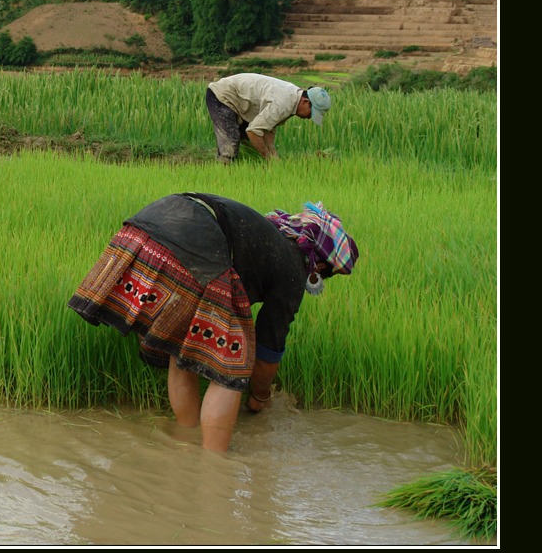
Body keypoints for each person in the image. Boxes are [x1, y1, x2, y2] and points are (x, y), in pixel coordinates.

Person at [68, 193, 357, 452]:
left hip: (148, 224)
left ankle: (186, 439)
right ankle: (213, 466)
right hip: (193, 241)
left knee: (182, 347)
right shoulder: (294, 267)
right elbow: (267, 351)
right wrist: (260, 396)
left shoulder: (268, 236)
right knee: (232, 364)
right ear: (318, 266)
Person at [206, 73, 331, 163]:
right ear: (305, 101)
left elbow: (268, 130)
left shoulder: (293, 99)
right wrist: (268, 157)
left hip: (242, 103)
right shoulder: (283, 103)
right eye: (311, 113)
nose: (309, 117)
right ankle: (224, 176)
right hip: (224, 95)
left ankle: (245, 174)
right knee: (230, 146)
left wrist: (274, 156)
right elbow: (253, 131)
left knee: (250, 149)